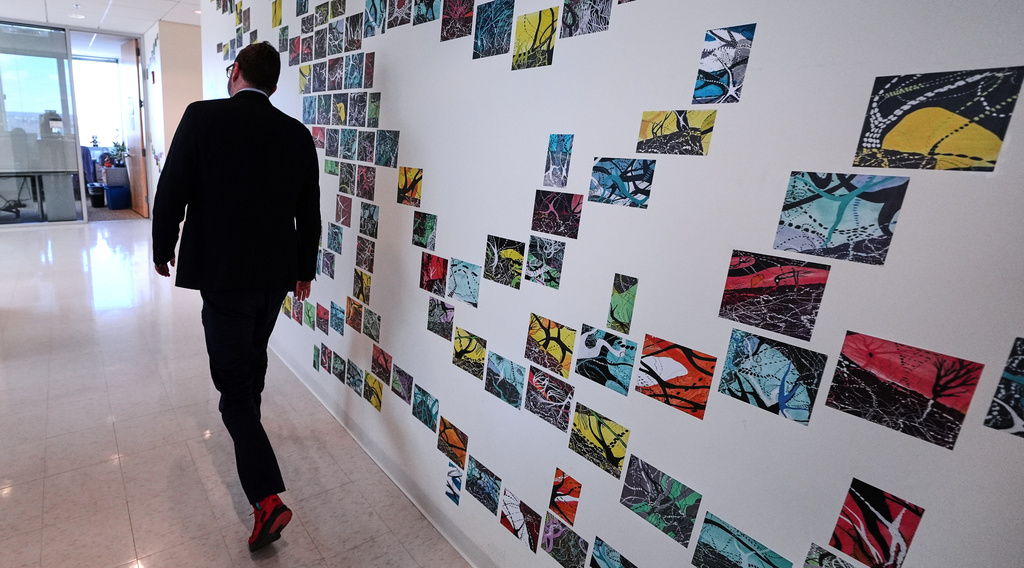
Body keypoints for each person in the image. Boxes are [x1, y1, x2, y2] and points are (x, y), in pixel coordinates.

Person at [151, 42, 320, 553]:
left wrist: (163, 247)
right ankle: (254, 434)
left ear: (238, 73)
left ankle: (266, 498)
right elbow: (308, 212)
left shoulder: (202, 118)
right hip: (274, 276)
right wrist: (305, 270)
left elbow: (171, 189)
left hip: (223, 276)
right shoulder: (295, 134)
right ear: (272, 84)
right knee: (252, 358)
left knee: (231, 389)